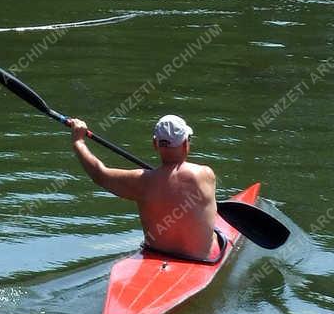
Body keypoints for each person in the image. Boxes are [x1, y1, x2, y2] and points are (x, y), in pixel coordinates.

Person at [67, 113, 223, 263]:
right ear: (185, 143)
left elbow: (99, 174)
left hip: (156, 255)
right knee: (216, 235)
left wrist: (78, 142)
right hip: (200, 261)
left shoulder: (141, 181)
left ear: (155, 144)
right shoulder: (205, 175)